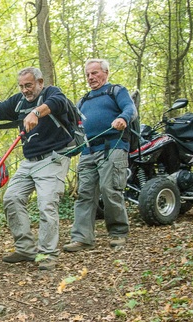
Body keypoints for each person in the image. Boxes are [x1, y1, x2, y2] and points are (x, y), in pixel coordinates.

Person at [0, 67, 72, 270]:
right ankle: (25, 248)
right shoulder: (19, 101)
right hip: (30, 161)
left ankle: (48, 254)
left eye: (29, 85)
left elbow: (58, 103)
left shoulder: (51, 93)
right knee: (12, 198)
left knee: (46, 204)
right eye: (22, 86)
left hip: (53, 159)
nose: (25, 90)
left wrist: (36, 112)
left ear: (40, 82)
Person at [63, 59, 137, 252]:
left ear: (106, 72)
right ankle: (82, 238)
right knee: (84, 194)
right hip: (88, 150)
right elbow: (75, 126)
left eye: (95, 73)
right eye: (88, 74)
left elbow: (130, 109)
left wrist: (122, 118)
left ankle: (118, 233)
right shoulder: (84, 100)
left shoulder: (117, 91)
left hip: (113, 146)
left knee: (110, 189)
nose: (90, 77)